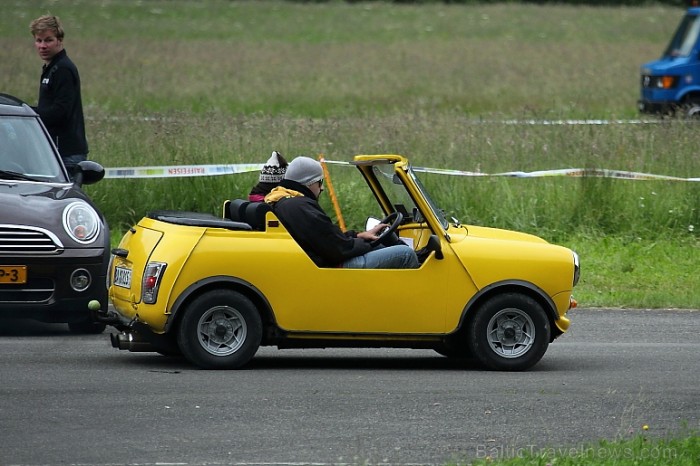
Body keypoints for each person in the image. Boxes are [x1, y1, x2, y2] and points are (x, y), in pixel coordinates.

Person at [265, 156, 420, 269]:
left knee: (381, 249)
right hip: (334, 264)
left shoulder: (284, 200)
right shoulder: (300, 206)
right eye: (320, 183)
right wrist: (366, 243)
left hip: (325, 257)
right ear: (311, 182)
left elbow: (328, 238)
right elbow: (338, 250)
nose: (322, 188)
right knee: (405, 254)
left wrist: (358, 236)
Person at [30, 15, 88, 181]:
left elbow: (60, 112)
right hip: (54, 150)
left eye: (48, 40)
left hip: (66, 153)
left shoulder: (62, 69)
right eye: (39, 40)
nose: (42, 46)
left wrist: (29, 114)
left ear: (59, 40)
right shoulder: (51, 68)